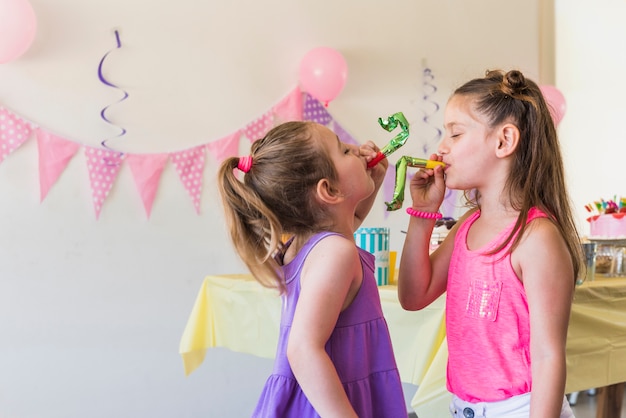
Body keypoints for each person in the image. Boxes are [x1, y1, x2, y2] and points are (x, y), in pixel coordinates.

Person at [397, 69, 581, 418]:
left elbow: (548, 356)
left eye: (456, 133)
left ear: (504, 141)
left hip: (523, 409)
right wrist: (422, 214)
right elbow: (413, 296)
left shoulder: (537, 238)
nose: (442, 147)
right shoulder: (466, 227)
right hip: (464, 407)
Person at [217, 121, 406, 418]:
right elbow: (303, 349)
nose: (358, 151)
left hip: (316, 398)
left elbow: (345, 224)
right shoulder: (335, 252)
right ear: (329, 190)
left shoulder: (309, 245)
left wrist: (374, 181)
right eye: (344, 150)